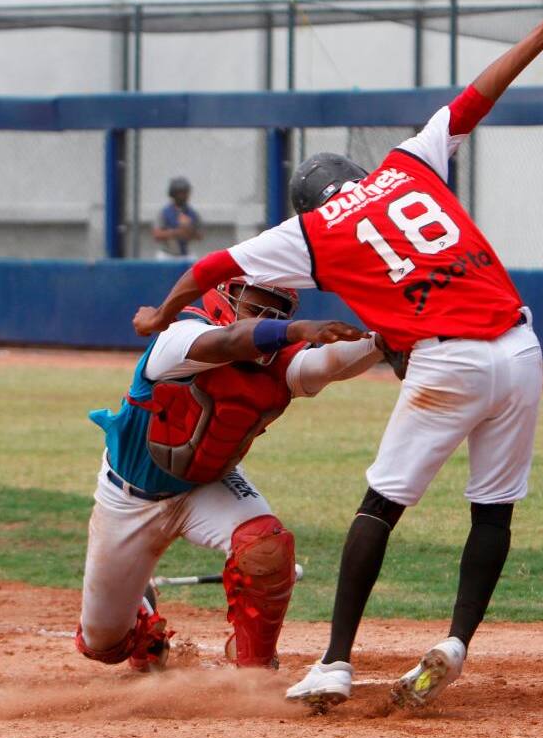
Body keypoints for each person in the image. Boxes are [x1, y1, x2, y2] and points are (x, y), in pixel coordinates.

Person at [131, 0, 543, 705]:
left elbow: (213, 269)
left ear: (307, 202)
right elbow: (476, 98)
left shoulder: (314, 231)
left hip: (453, 358)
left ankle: (336, 660)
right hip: (522, 346)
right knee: (493, 512)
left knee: (378, 508)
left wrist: (159, 312)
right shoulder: (408, 164)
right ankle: (457, 641)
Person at [76, 277, 382, 672]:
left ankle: (254, 666)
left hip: (207, 485)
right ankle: (143, 621)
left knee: (266, 547)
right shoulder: (179, 337)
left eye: (279, 312)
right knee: (103, 644)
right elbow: (230, 341)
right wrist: (293, 330)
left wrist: (387, 337)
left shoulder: (282, 364)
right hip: (130, 496)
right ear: (223, 299)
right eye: (257, 308)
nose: (269, 319)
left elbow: (331, 362)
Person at [152, 176, 203, 259]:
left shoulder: (192, 213)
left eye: (185, 193)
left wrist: (188, 229)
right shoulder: (165, 212)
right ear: (173, 194)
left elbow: (199, 236)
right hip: (167, 254)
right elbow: (157, 234)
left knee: (194, 263)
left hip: (185, 254)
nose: (183, 196)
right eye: (180, 193)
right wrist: (176, 232)